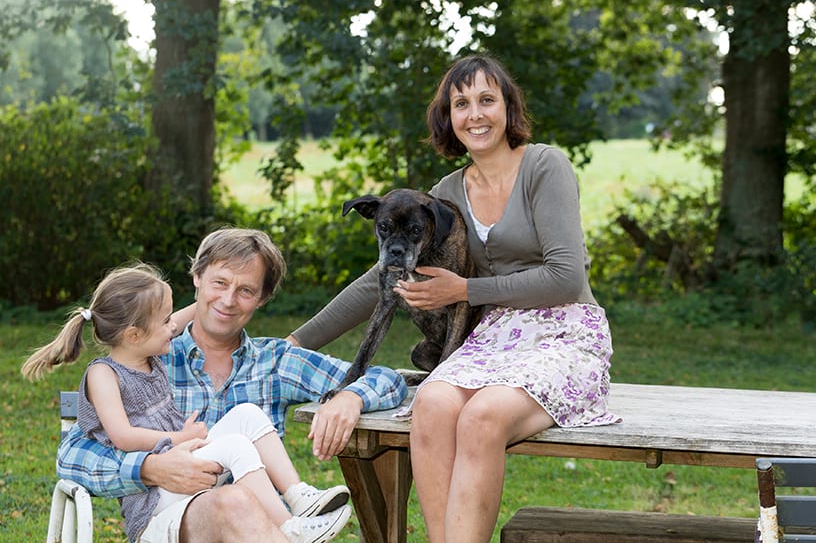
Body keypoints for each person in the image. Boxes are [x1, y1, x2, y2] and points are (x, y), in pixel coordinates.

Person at [287, 54, 620, 543]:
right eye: (461, 104)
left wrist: (465, 289)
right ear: (448, 117)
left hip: (564, 333)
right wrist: (298, 340)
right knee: (433, 404)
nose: (475, 114)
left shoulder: (544, 166)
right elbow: (382, 278)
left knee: (482, 418)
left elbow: (566, 277)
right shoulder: (445, 194)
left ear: (508, 107)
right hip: (491, 340)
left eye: (487, 100)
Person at [53, 229, 409, 543]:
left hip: (261, 527)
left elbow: (390, 381)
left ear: (262, 298)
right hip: (171, 519)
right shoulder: (149, 356)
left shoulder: (276, 361)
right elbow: (72, 457)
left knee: (244, 446)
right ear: (197, 278)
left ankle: (300, 499)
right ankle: (292, 529)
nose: (228, 300)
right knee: (234, 500)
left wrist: (350, 397)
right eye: (219, 283)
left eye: (246, 290)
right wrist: (150, 468)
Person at [23, 263, 352, 543]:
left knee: (248, 415)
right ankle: (290, 528)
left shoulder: (148, 350)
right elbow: (122, 436)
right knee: (235, 445)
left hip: (186, 467)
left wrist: (217, 293)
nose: (174, 327)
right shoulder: (104, 374)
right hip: (156, 498)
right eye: (166, 321)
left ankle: (299, 496)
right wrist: (178, 438)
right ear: (134, 335)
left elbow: (189, 312)